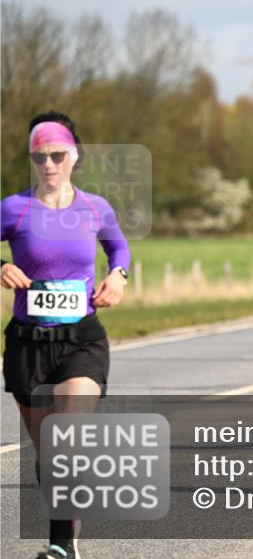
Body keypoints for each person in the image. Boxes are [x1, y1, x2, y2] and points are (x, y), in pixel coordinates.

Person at [2, 112, 131, 559]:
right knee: (50, 456)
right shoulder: (13, 208)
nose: (49, 165)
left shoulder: (95, 208)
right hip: (27, 345)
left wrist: (119, 275)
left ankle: (58, 546)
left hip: (81, 341)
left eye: (57, 155)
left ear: (74, 156)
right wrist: (1, 266)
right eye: (39, 157)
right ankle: (68, 532)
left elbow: (118, 246)